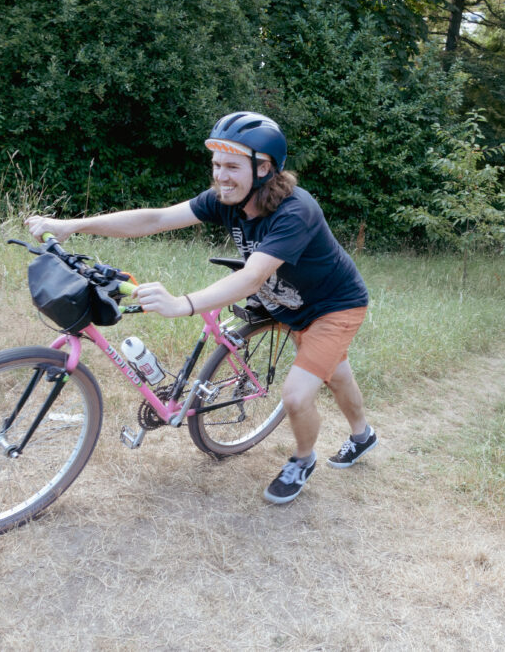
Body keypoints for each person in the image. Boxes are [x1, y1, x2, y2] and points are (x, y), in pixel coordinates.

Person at [25, 111, 376, 504]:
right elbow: (156, 219)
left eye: (231, 166)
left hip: (333, 307)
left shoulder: (296, 212)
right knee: (336, 375)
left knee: (296, 396)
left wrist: (182, 304)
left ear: (264, 169)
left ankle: (302, 459)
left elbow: (251, 279)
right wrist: (74, 225)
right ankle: (363, 435)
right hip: (287, 303)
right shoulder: (226, 200)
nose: (220, 176)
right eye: (215, 165)